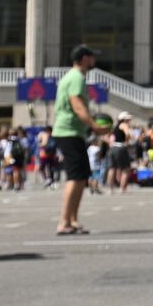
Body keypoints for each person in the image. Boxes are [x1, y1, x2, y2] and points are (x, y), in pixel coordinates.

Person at [53, 45, 102, 235]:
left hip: (74, 132)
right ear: (84, 59)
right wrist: (93, 125)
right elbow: (77, 104)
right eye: (92, 57)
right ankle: (64, 221)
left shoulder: (75, 77)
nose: (94, 60)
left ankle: (72, 219)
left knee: (81, 176)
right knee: (74, 176)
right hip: (68, 131)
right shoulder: (76, 77)